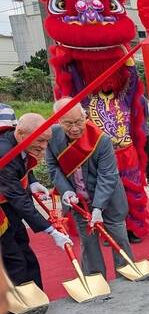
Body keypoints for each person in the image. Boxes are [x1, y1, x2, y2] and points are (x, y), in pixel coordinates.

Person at [46, 98, 134, 280]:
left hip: (108, 198)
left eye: (79, 121)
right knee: (88, 242)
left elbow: (107, 176)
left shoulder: (100, 139)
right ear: (58, 121)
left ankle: (127, 275)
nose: (75, 128)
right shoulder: (52, 136)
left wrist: (98, 208)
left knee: (118, 236)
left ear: (84, 116)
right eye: (68, 123)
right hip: (78, 200)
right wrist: (66, 190)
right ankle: (95, 278)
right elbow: (53, 167)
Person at [0, 113, 70, 288]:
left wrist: (32, 182)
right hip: (4, 210)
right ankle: (22, 307)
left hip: (10, 203)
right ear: (21, 133)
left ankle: (37, 298)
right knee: (12, 257)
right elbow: (18, 199)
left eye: (47, 141)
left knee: (24, 248)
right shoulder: (4, 153)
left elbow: (21, 164)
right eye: (40, 141)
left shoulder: (17, 141)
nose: (44, 147)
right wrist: (51, 231)